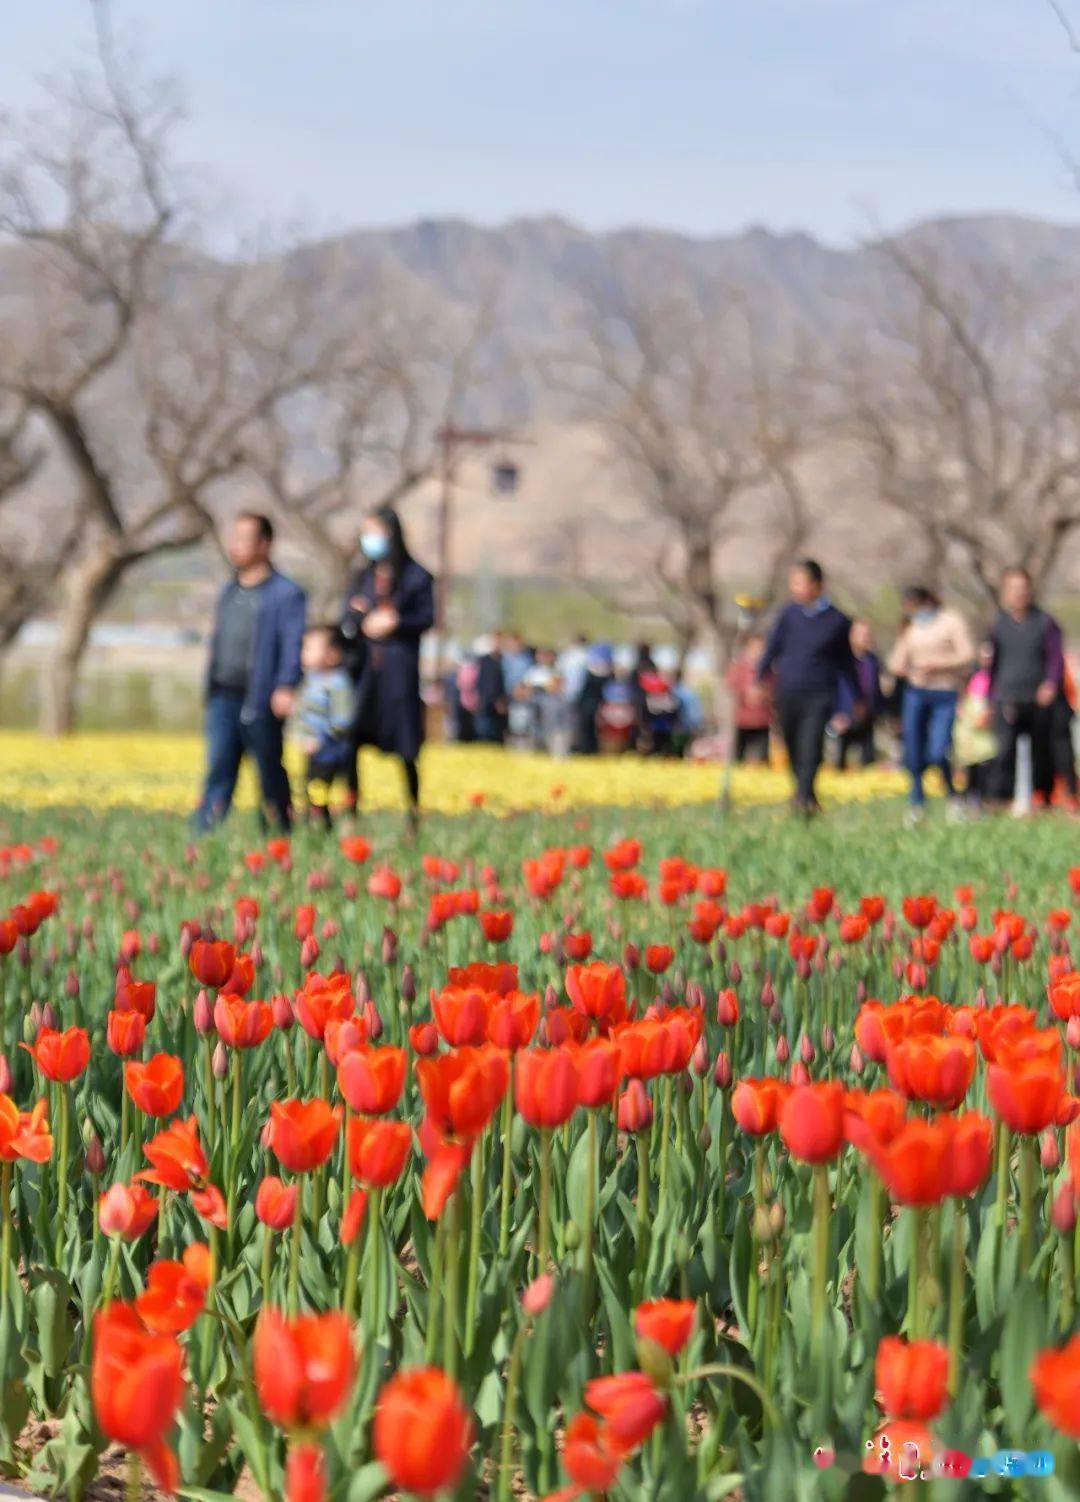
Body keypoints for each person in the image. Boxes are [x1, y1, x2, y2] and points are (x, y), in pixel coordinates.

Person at [195, 512, 305, 831]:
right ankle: (203, 836)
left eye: (245, 538)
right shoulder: (230, 590)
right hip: (223, 694)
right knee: (219, 767)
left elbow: (292, 641)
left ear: (265, 544)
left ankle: (279, 834)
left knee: (269, 770)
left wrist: (286, 684)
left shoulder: (285, 594)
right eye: (234, 537)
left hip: (262, 697)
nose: (236, 545)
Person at [340, 505, 434, 825]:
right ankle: (351, 812)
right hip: (366, 672)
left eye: (375, 532)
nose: (370, 539)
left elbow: (426, 617)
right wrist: (363, 619)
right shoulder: (362, 576)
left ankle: (413, 813)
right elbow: (347, 617)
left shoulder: (415, 576)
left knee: (406, 746)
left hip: (398, 673)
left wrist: (396, 622)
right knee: (352, 740)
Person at [757, 559, 860, 813]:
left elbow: (846, 663)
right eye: (793, 583)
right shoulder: (789, 615)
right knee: (791, 745)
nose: (795, 588)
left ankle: (803, 798)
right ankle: (806, 795)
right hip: (788, 690)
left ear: (817, 585)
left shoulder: (838, 621)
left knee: (811, 744)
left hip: (819, 693)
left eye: (800, 583)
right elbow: (772, 649)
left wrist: (856, 697)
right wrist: (759, 678)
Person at [885, 586, 973, 821]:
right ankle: (916, 801)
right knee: (913, 748)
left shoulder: (950, 621)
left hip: (944, 692)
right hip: (916, 692)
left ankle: (953, 795)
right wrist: (908, 669)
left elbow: (967, 654)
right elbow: (896, 661)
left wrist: (939, 665)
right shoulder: (910, 626)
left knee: (937, 749)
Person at [988, 566, 1063, 807]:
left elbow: (1055, 657)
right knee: (1004, 750)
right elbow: (992, 663)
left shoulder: (1044, 621)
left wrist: (1050, 683)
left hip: (1038, 695)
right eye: (1014, 589)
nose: (1019, 593)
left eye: (1023, 588)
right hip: (1007, 695)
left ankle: (1043, 799)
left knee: (1041, 752)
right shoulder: (998, 623)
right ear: (1005, 592)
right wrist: (990, 696)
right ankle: (1000, 800)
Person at [294, 624, 356, 828]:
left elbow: (343, 720)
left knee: (324, 791)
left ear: (332, 654)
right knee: (312, 791)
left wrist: (321, 739)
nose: (304, 654)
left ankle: (329, 826)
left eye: (310, 649)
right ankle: (316, 824)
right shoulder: (309, 681)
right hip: (310, 748)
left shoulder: (338, 683)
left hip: (330, 751)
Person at [953, 642, 997, 807]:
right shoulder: (971, 676)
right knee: (969, 762)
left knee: (986, 761)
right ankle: (968, 794)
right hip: (970, 726)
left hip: (987, 725)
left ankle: (984, 795)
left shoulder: (997, 677)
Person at [835, 619, 883, 769]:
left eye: (867, 634)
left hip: (868, 715)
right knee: (840, 759)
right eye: (861, 634)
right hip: (844, 716)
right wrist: (836, 713)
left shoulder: (873, 660)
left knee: (868, 759)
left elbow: (877, 688)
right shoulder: (840, 660)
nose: (865, 638)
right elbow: (834, 688)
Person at [726, 634, 773, 763]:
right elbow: (731, 684)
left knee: (761, 756)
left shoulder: (768, 669)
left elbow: (774, 688)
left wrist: (763, 694)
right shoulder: (739, 666)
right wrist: (746, 693)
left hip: (762, 719)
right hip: (743, 718)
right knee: (738, 756)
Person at [474, 634, 508, 744]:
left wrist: (501, 699)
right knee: (483, 731)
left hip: (500, 702)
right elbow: (479, 681)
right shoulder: (483, 660)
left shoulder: (504, 660)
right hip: (485, 700)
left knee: (497, 731)